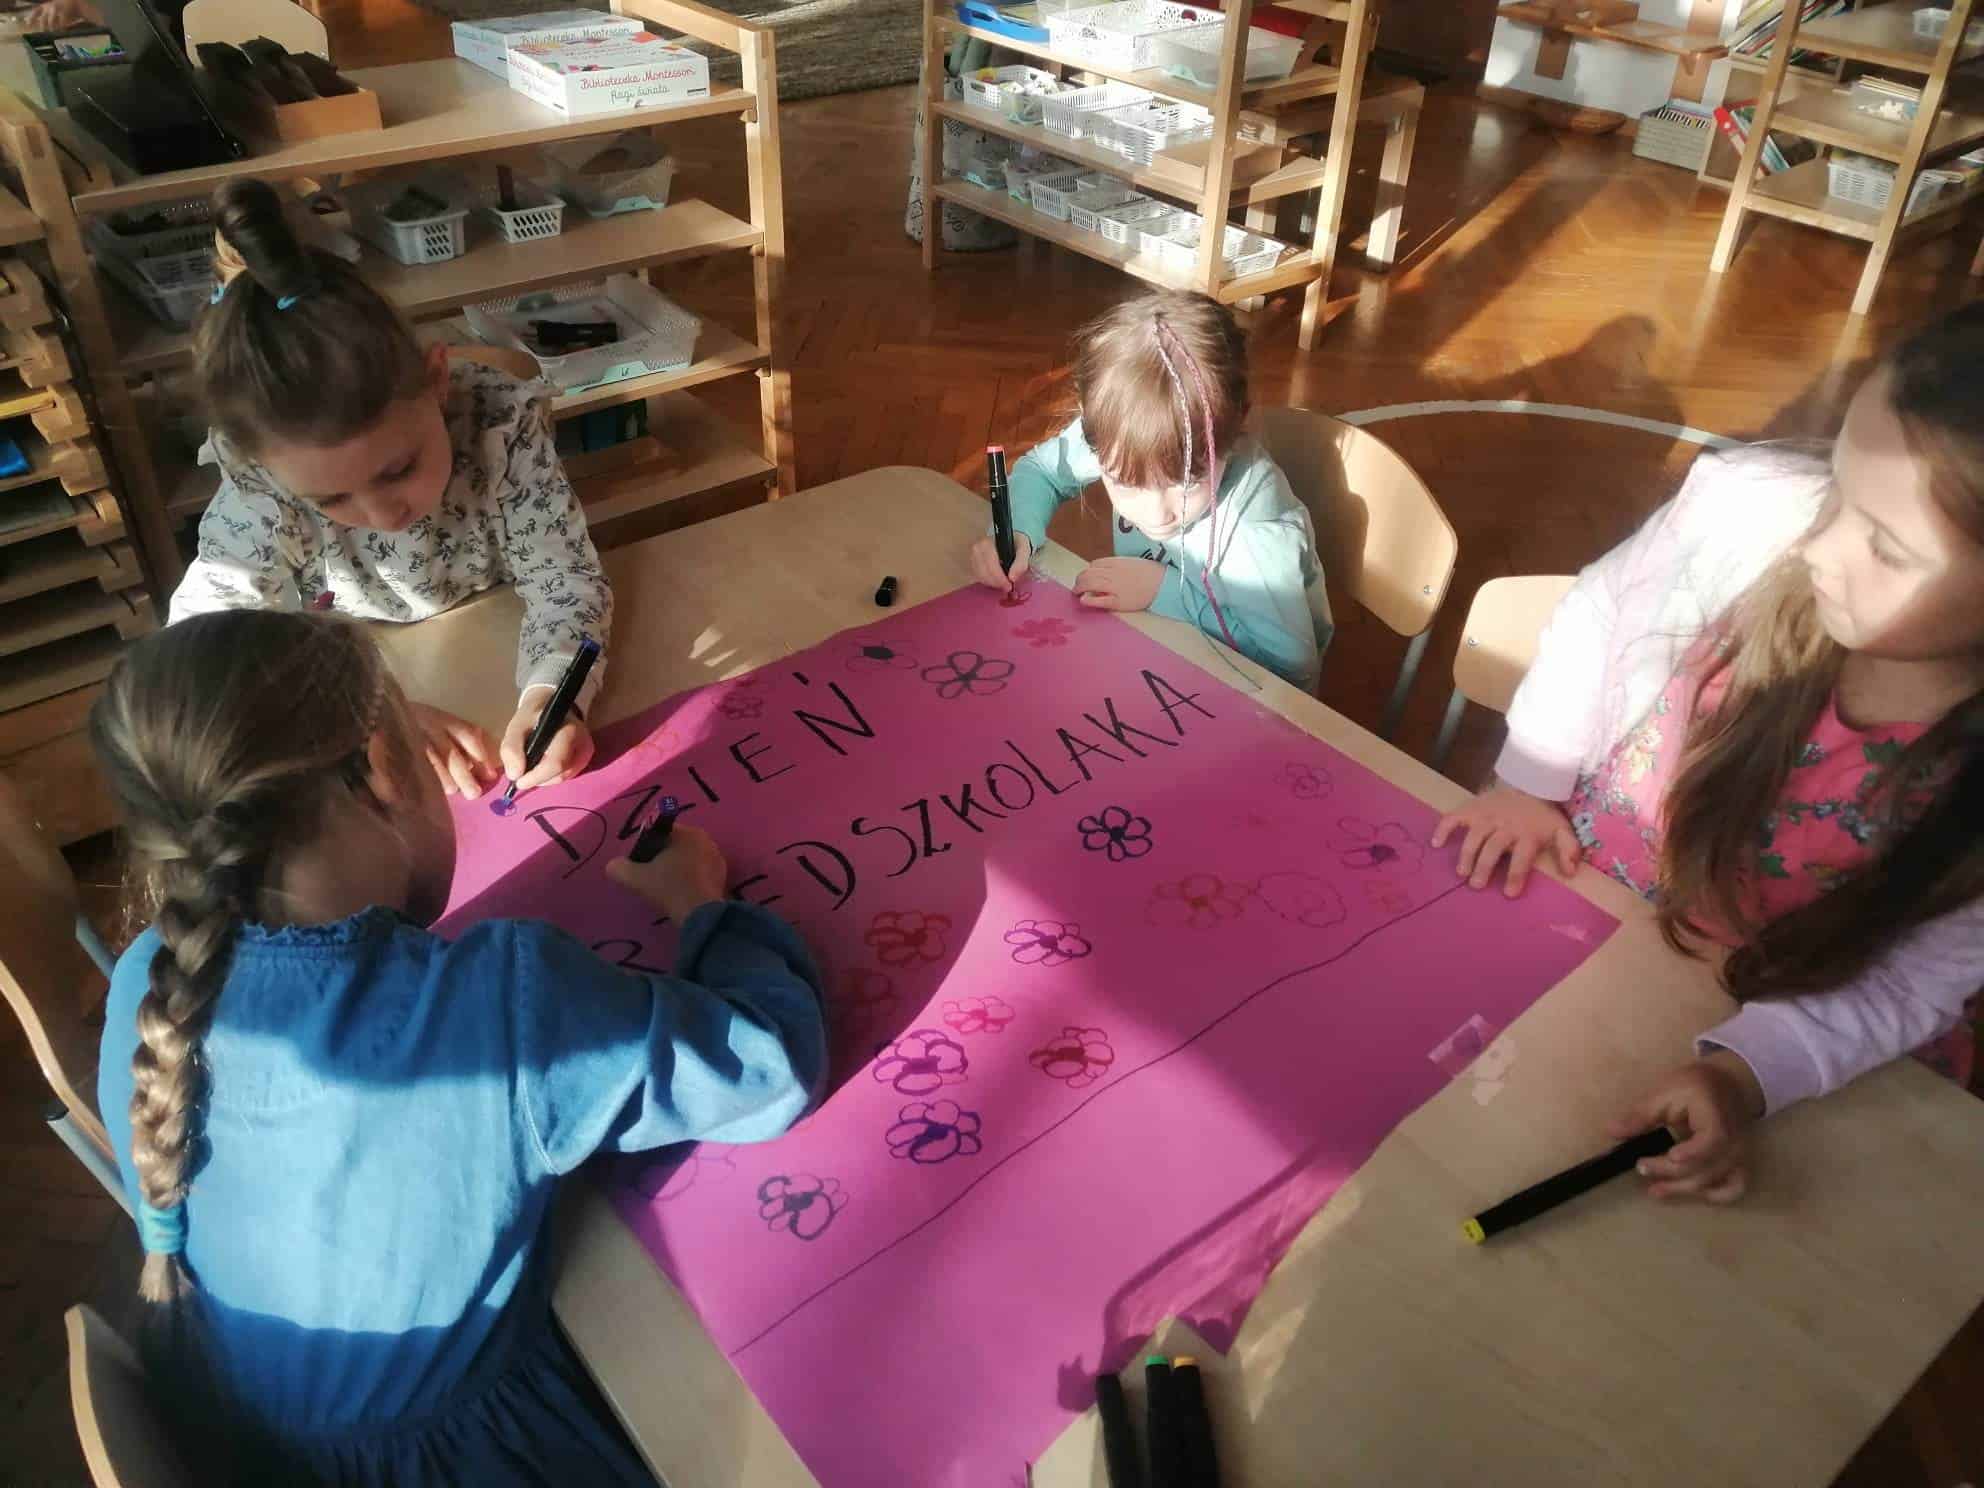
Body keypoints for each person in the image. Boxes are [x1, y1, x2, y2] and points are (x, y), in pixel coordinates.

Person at [89, 609, 827, 1483]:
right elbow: (767, 1067)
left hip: (269, 1441)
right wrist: (701, 902)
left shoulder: (145, 980)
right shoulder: (502, 1002)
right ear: (382, 766)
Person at [1432, 305, 1984, 1203]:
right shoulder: (1751, 516)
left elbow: (1907, 987)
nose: (1819, 547)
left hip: (1781, 1035)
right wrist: (1530, 780)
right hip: (1590, 910)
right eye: (1838, 484)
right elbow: (1600, 612)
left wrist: (1745, 1073)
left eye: (1886, 546)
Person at [169, 178, 611, 800]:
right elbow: (200, 650)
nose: (382, 514)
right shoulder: (259, 490)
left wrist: (554, 693)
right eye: (330, 501)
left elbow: (566, 581)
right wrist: (363, 712)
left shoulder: (498, 427)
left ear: (437, 381)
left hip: (490, 632)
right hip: (358, 669)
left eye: (398, 469)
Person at [968, 290, 1332, 691]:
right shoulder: (1124, 435)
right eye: (1127, 483)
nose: (1158, 515)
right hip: (1156, 653)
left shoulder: (1254, 535)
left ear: (1234, 428)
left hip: (1245, 696)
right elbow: (1042, 471)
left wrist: (1164, 592)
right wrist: (1017, 530)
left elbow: (1291, 671)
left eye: (1187, 483)